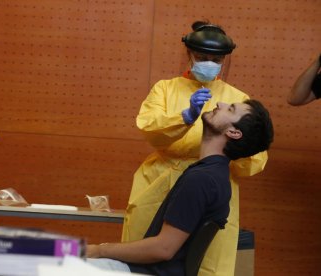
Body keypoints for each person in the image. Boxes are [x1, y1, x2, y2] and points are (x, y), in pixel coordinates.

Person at [121, 20, 270, 276]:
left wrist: (225, 156)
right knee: (143, 254)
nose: (209, 62)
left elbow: (254, 158)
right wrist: (185, 117)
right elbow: (149, 128)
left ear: (225, 59)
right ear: (189, 54)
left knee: (206, 260)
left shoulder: (239, 100)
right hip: (161, 181)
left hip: (212, 183)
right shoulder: (165, 89)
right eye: (202, 56)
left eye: (216, 58)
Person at [87, 99, 274, 276]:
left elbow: (163, 249)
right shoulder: (214, 175)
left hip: (144, 273)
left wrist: (98, 249)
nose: (220, 103)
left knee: (61, 260)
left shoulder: (202, 179)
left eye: (230, 109)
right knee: (61, 253)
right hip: (142, 270)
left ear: (234, 132)